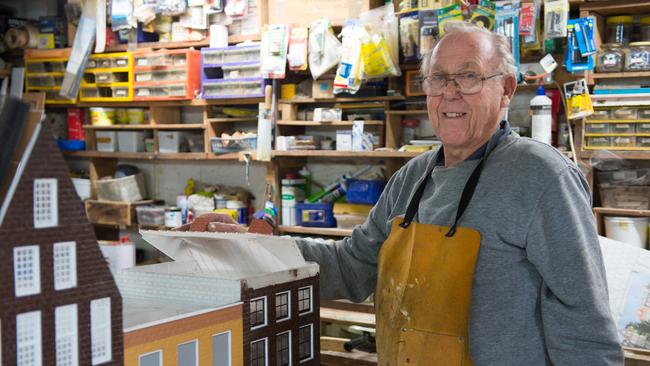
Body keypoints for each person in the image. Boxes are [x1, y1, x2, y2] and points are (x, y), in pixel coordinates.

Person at [201, 21, 623, 365]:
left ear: (508, 89)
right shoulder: (411, 178)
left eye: (469, 76)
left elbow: (585, 326)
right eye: (438, 78)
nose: (450, 92)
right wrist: (256, 247)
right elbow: (350, 267)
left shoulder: (542, 177)